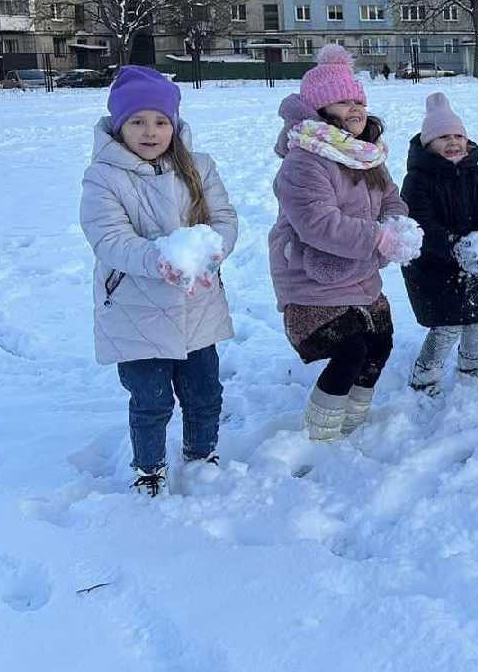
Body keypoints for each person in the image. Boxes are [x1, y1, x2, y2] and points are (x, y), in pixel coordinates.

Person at [80, 66, 237, 496]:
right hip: (136, 310)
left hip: (197, 307)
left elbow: (223, 219)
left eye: (161, 121)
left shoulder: (198, 168)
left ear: (175, 124)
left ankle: (202, 454)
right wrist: (158, 258)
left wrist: (210, 249)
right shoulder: (104, 176)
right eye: (137, 121)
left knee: (204, 392)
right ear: (118, 125)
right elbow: (109, 238)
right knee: (151, 400)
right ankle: (149, 467)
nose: (150, 131)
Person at [269, 45, 408, 441]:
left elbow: (391, 195)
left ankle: (352, 421)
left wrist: (399, 223)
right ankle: (320, 435)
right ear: (321, 111)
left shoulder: (365, 155)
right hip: (311, 277)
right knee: (351, 351)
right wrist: (380, 237)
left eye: (358, 101)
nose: (355, 109)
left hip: (360, 272)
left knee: (380, 343)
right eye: (342, 102)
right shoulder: (305, 159)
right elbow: (317, 223)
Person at [401, 92, 478, 395]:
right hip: (433, 267)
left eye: (458, 135)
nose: (453, 142)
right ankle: (425, 377)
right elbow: (421, 224)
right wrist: (455, 246)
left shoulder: (477, 174)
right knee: (447, 324)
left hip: (474, 266)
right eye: (443, 136)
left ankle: (472, 366)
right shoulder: (417, 180)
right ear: (427, 143)